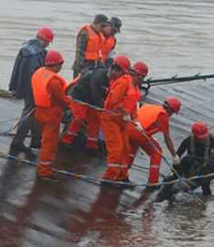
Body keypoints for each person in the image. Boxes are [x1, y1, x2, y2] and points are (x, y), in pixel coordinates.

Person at [8, 27, 54, 158]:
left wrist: (14, 87)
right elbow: (31, 75)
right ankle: (17, 142)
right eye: (48, 42)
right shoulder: (33, 54)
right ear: (43, 40)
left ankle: (36, 140)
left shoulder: (29, 48)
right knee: (29, 114)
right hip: (31, 89)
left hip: (27, 87)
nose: (48, 45)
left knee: (35, 113)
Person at [31, 50, 71, 181]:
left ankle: (43, 166)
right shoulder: (53, 81)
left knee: (45, 141)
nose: (61, 67)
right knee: (50, 144)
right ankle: (45, 171)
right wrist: (71, 103)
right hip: (51, 114)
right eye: (60, 64)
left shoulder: (39, 73)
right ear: (57, 64)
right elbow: (61, 99)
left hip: (40, 111)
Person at [127, 97, 182, 186]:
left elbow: (143, 121)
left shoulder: (149, 106)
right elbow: (167, 139)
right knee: (157, 153)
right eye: (172, 113)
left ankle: (123, 174)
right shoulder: (163, 115)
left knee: (133, 147)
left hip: (128, 129)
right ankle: (152, 182)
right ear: (170, 110)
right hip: (139, 134)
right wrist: (174, 156)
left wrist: (149, 136)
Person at [170, 122, 214, 197]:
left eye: (204, 137)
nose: (203, 139)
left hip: (206, 164)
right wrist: (175, 163)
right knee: (183, 162)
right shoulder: (188, 141)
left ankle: (207, 196)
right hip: (191, 163)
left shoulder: (211, 140)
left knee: (205, 180)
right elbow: (178, 154)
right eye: (201, 138)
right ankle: (174, 181)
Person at [61, 65, 111, 152]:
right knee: (79, 117)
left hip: (92, 100)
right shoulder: (98, 77)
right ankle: (66, 140)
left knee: (95, 120)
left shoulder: (114, 79)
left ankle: (92, 145)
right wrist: (102, 106)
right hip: (79, 97)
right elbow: (95, 91)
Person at [100, 55, 134, 185]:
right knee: (116, 148)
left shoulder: (122, 81)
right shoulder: (123, 82)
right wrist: (124, 112)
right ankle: (108, 177)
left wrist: (127, 114)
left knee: (125, 148)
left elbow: (117, 101)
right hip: (110, 118)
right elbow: (114, 102)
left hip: (119, 119)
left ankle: (122, 176)